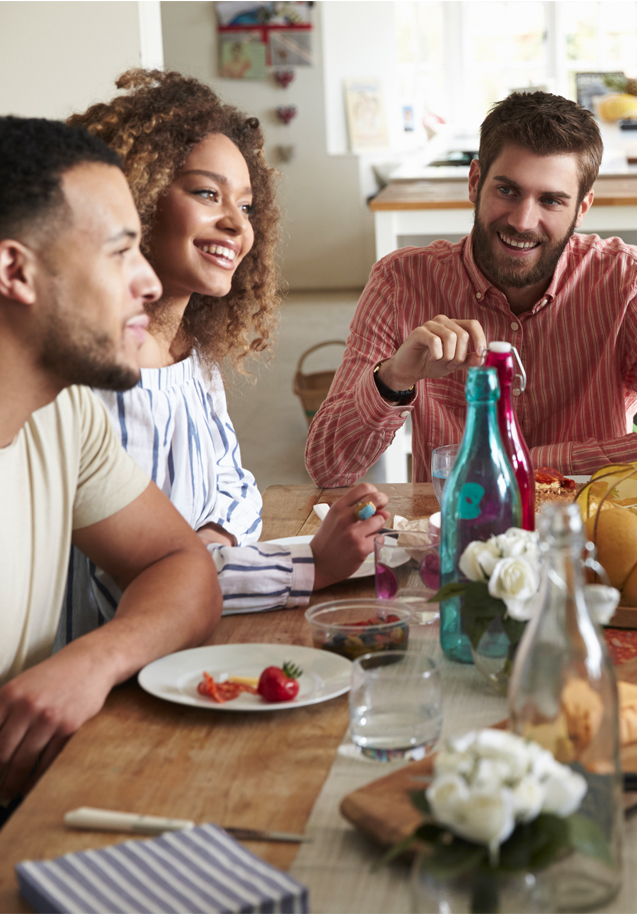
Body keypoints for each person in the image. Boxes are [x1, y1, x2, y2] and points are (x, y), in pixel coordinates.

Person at [59, 69, 388, 645]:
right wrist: (312, 565)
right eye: (207, 193)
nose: (237, 225)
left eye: (247, 204)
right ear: (140, 194)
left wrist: (210, 542)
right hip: (112, 678)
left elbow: (239, 491)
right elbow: (129, 588)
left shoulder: (194, 354)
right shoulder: (104, 372)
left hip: (196, 628)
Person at [0, 115, 222, 809]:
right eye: (120, 251)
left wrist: (89, 662)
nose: (150, 283)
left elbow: (179, 565)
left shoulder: (63, 413)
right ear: (16, 271)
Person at [305, 91, 637, 485]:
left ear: (582, 207)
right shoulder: (400, 282)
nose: (523, 221)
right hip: (457, 532)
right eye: (507, 190)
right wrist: (393, 379)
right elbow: (328, 466)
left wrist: (531, 462)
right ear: (475, 182)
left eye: (551, 200)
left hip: (589, 528)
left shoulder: (628, 281)